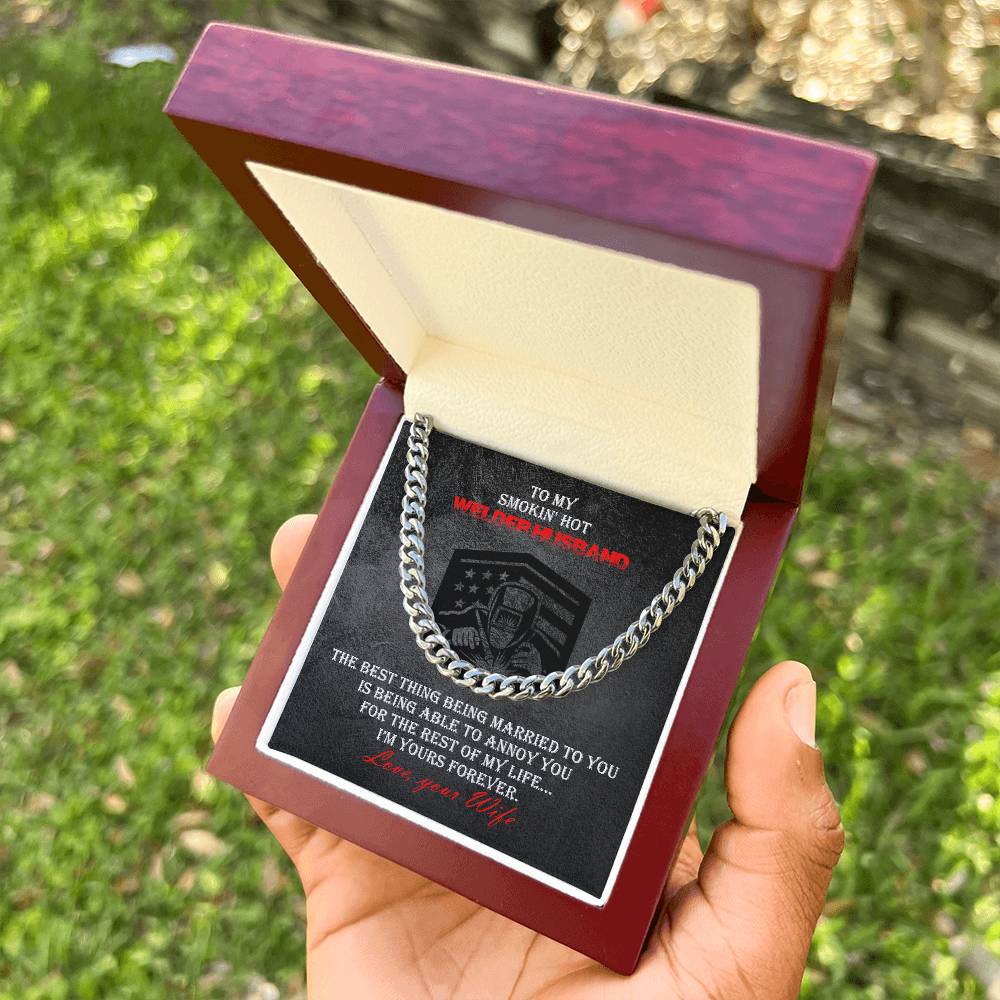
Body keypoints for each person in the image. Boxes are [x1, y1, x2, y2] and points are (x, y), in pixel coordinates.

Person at [212, 514, 844, 999]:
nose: (509, 621)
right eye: (504, 609)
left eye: (521, 614)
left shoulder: (528, 660)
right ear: (492, 607)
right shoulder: (462, 631)